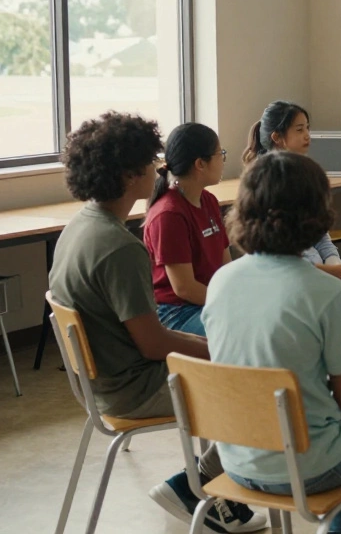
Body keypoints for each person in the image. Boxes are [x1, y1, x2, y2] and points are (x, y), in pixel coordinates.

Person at [49, 112, 265, 533]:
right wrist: (219, 350)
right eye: (150, 161)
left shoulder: (80, 227)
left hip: (105, 383)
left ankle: (206, 490)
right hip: (133, 388)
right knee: (260, 388)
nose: (158, 168)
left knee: (244, 365)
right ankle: (193, 488)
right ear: (130, 174)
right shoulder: (119, 248)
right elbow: (153, 344)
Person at [205, 152, 341, 534]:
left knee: (334, 430)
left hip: (237, 459)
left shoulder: (221, 281)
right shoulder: (328, 293)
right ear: (317, 213)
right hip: (306, 467)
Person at [243, 100, 341, 411]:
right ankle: (333, 386)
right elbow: (286, 261)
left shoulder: (303, 176)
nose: (308, 136)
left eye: (308, 128)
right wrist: (337, 273)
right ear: (277, 138)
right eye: (299, 129)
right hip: (296, 279)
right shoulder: (267, 184)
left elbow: (322, 237)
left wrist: (340, 266)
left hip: (319, 272)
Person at [143, 122, 230, 337]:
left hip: (209, 300)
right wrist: (230, 302)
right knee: (242, 331)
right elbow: (184, 288)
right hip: (177, 312)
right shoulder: (169, 214)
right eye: (220, 154)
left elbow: (226, 265)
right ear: (200, 164)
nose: (223, 160)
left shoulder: (208, 200)